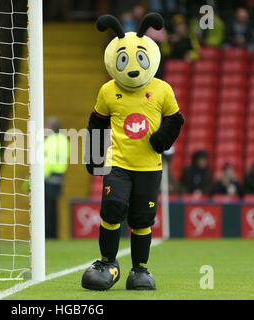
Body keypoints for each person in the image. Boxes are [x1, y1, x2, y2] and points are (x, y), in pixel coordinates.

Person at [82, 13, 184, 291]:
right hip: (118, 164)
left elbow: (176, 120)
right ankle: (107, 262)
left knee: (142, 219)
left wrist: (161, 140)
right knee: (111, 209)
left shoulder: (162, 89)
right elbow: (97, 122)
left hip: (149, 166)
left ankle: (139, 269)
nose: (133, 68)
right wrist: (94, 156)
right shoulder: (107, 90)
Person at [44, 117, 70, 239]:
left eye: (47, 126)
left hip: (50, 175)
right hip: (58, 175)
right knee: (52, 205)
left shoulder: (53, 140)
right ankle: (53, 234)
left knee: (48, 206)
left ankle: (49, 234)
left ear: (52, 127)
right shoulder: (63, 139)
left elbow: (49, 160)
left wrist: (43, 175)